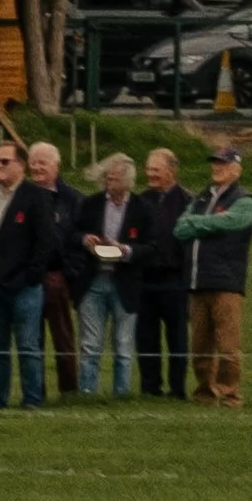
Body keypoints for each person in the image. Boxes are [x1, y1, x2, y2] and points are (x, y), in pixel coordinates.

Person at [0, 135, 61, 410]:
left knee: (27, 346)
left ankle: (32, 398)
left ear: (20, 165)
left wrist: (31, 275)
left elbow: (45, 240)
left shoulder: (36, 197)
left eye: (4, 161)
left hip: (24, 286)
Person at [181, 141, 252, 406]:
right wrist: (205, 223)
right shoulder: (201, 197)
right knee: (200, 346)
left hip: (227, 282)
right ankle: (205, 392)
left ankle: (229, 394)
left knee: (228, 345)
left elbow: (234, 222)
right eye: (215, 162)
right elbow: (179, 229)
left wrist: (198, 223)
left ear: (236, 169)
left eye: (223, 163)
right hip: (197, 281)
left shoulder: (245, 200)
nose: (217, 167)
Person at [67, 154, 147, 400]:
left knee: (123, 345)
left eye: (115, 179)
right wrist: (84, 240)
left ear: (128, 181)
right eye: (108, 178)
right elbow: (71, 234)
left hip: (125, 283)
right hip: (93, 281)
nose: (109, 182)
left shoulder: (142, 209)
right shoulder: (90, 204)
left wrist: (127, 250)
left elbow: (152, 247)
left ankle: (121, 396)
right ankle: (87, 393)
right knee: (90, 344)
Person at [132, 148, 193, 401]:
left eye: (155, 169)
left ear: (171, 171)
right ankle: (150, 387)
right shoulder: (140, 201)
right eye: (148, 169)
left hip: (175, 280)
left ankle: (177, 389)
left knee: (177, 337)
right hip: (145, 280)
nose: (150, 174)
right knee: (146, 337)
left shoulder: (189, 201)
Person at [26, 140, 83, 395]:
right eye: (33, 162)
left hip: (58, 279)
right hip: (28, 279)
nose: (37, 168)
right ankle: (36, 391)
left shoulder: (73, 199)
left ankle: (69, 392)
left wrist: (70, 275)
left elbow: (80, 239)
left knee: (63, 339)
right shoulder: (22, 196)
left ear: (56, 166)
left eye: (43, 163)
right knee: (31, 341)